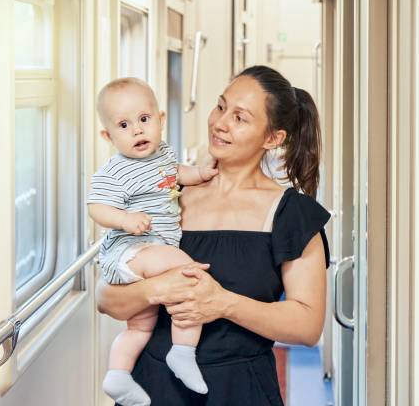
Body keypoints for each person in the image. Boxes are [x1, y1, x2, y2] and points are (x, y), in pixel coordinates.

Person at [96, 65, 331, 406]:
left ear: (272, 138)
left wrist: (222, 303)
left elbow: (308, 325)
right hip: (153, 388)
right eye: (221, 107)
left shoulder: (292, 214)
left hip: (240, 390)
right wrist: (154, 290)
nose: (220, 123)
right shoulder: (165, 193)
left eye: (240, 118)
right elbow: (107, 298)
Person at [87, 77, 219, 406]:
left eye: (144, 120)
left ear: (160, 119)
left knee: (140, 326)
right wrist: (125, 220)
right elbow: (96, 207)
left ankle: (117, 375)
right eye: (123, 125)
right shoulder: (115, 171)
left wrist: (199, 175)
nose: (137, 131)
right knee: (189, 273)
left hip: (149, 251)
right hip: (131, 250)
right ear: (108, 136)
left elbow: (174, 174)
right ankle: (183, 351)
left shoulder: (161, 156)